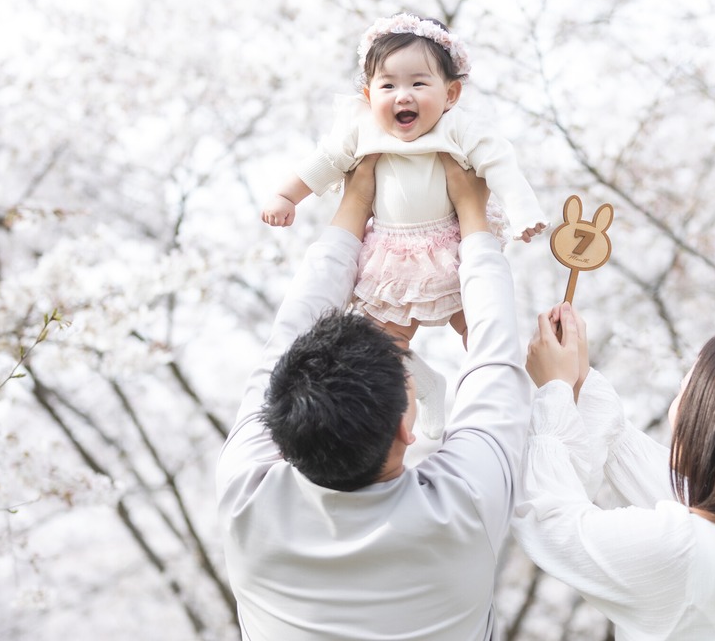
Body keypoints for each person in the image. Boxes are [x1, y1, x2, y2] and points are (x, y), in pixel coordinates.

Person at [217, 155, 532, 640]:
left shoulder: (247, 498)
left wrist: (356, 204)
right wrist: (471, 210)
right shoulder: (462, 505)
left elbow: (497, 362)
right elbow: (496, 363)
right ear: (408, 429)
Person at [261, 13, 546, 438]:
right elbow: (324, 161)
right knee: (380, 345)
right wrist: (287, 195)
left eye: (418, 83)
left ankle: (517, 399)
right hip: (392, 255)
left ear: (451, 94)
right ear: (367, 92)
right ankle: (424, 389)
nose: (402, 96)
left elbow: (498, 162)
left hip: (452, 245)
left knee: (482, 327)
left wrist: (524, 211)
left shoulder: (458, 128)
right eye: (388, 85)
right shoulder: (361, 127)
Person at [514, 304, 715, 640]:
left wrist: (553, 390)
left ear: (707, 421)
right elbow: (660, 477)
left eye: (684, 389)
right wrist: (579, 381)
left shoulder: (685, 552)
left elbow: (552, 523)